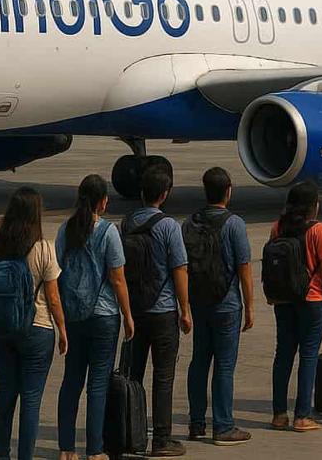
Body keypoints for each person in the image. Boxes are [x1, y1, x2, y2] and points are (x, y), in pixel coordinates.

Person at [57, 174, 135, 460]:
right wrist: (128, 315)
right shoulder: (108, 232)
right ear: (102, 202)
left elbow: (57, 271)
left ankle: (66, 449)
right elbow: (118, 278)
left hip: (74, 314)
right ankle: (94, 450)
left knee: (71, 381)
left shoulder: (65, 230)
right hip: (103, 315)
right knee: (98, 384)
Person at [0, 187, 67, 460]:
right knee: (30, 400)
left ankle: (2, 455)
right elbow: (53, 298)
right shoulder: (44, 249)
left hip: (3, 328)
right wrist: (63, 329)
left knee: (5, 396)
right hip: (37, 328)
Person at [124, 162, 191, 456]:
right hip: (162, 311)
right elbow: (179, 270)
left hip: (135, 310)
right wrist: (185, 309)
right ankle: (161, 440)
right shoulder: (168, 226)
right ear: (165, 194)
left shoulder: (126, 223)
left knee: (133, 376)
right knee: (163, 377)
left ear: (142, 193)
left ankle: (132, 435)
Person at [186, 168, 254, 446]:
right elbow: (244, 267)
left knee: (199, 361)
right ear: (228, 192)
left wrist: (184, 304)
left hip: (198, 301)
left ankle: (196, 423)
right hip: (227, 303)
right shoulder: (234, 224)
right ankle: (223, 426)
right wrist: (249, 306)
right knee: (224, 365)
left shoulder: (190, 223)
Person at [269, 180, 322, 432]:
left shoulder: (278, 227)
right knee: (308, 356)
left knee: (283, 355)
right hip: (312, 300)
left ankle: (279, 414)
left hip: (284, 299)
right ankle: (302, 415)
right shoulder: (320, 231)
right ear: (313, 207)